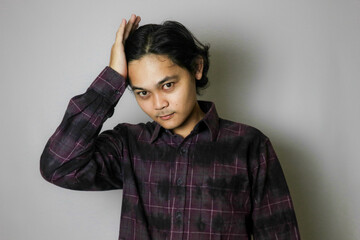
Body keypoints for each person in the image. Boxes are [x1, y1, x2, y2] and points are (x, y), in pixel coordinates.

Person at [40, 14, 300, 240]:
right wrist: (113, 79)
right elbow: (58, 167)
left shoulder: (249, 146)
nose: (158, 104)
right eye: (142, 93)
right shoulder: (128, 145)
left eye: (167, 85)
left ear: (196, 68)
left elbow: (279, 233)